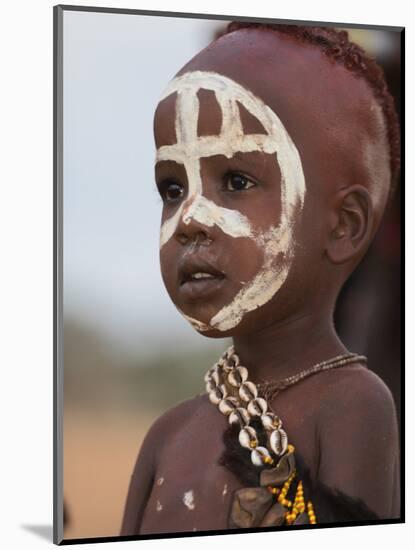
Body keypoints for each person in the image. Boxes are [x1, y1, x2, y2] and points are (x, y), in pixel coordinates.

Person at [120, 22, 400, 535]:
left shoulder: (352, 405)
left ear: (343, 225)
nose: (190, 219)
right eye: (172, 187)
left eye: (236, 181)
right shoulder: (167, 436)